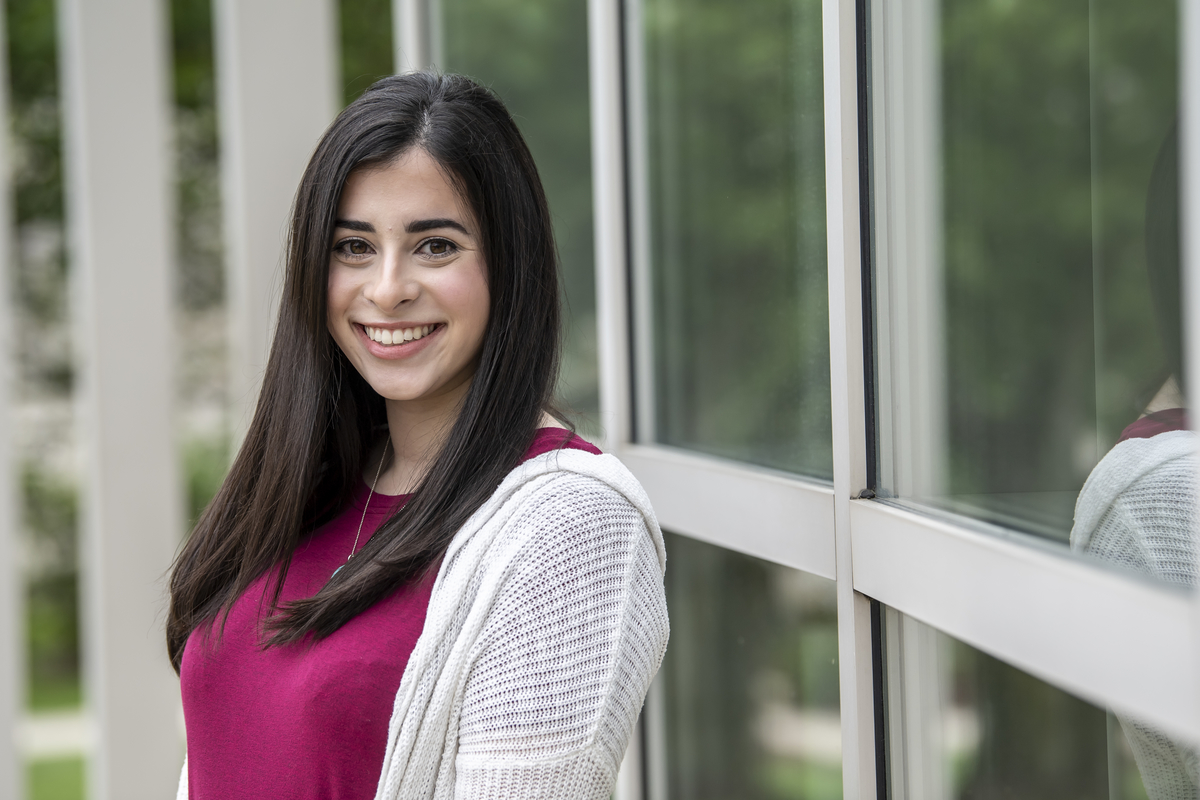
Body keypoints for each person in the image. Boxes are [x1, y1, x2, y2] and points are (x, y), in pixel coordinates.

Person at [166, 72, 669, 800]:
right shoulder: (307, 489)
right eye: (353, 247)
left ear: (510, 265)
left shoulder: (571, 528)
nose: (387, 288)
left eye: (435, 246)